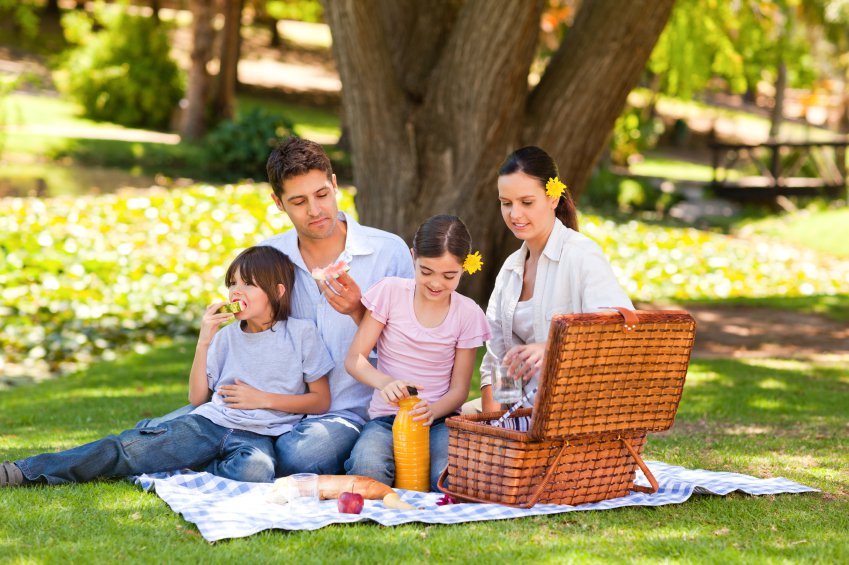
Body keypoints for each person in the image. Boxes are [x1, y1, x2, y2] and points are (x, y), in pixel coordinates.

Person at [138, 138, 414, 477]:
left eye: (322, 195)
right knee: (158, 434)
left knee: (300, 455)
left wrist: (359, 312)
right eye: (298, 201)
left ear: (335, 185)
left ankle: (216, 451)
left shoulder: (387, 251)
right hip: (266, 411)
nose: (314, 210)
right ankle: (176, 439)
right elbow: (250, 327)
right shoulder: (270, 256)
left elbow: (409, 342)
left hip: (347, 412)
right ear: (278, 203)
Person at [0, 246, 333, 487]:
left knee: (256, 472)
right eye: (232, 283)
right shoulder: (226, 338)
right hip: (210, 423)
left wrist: (263, 399)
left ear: (277, 291)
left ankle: (171, 451)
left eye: (248, 284)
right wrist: (204, 339)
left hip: (258, 436)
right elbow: (198, 397)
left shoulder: (301, 334)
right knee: (125, 451)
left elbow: (320, 400)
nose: (236, 291)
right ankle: (23, 471)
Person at [475, 146, 633, 413]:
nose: (514, 214)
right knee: (454, 424)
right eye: (506, 203)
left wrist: (551, 347)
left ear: (553, 198)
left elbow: (617, 331)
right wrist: (495, 428)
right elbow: (497, 359)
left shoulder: (581, 254)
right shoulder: (511, 269)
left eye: (527, 202)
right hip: (523, 411)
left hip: (576, 412)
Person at [344, 215, 491, 491]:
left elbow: (460, 390)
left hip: (437, 420)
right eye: (426, 272)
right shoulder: (390, 292)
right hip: (386, 420)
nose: (436, 283)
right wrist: (384, 382)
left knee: (447, 477)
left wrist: (432, 411)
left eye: (449, 276)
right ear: (413, 257)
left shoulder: (467, 313)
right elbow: (355, 359)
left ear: (465, 267)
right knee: (368, 468)